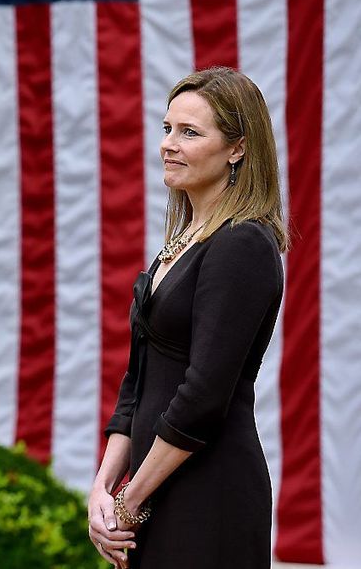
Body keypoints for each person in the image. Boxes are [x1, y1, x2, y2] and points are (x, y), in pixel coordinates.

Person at [87, 67, 287, 569]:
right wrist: (104, 485)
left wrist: (129, 502)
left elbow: (203, 396)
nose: (169, 145)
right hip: (151, 491)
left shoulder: (243, 243)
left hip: (207, 493)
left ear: (237, 149)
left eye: (190, 133)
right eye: (168, 129)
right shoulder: (181, 243)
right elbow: (138, 379)